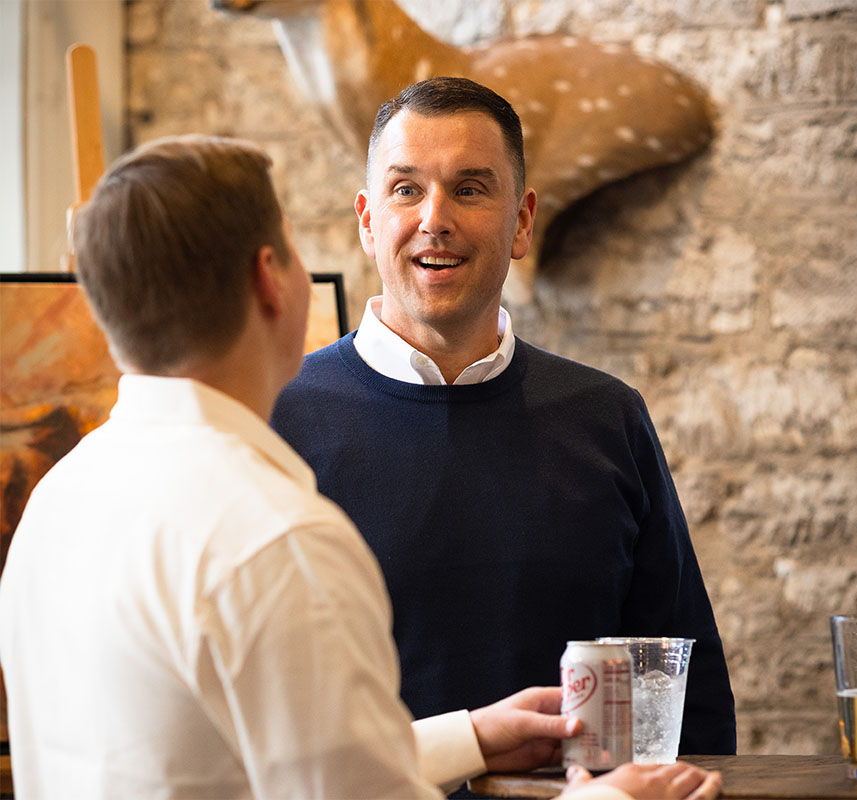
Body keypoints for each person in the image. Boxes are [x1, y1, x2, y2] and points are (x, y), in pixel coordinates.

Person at [0, 135, 721, 800]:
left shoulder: (56, 500)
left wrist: (464, 738)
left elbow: (241, 759)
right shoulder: (275, 535)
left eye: (472, 189)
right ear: (270, 280)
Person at [270, 77, 738, 757]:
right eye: (407, 189)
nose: (435, 218)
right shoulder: (280, 422)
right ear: (369, 222)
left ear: (521, 221)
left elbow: (686, 698)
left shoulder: (608, 419)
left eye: (469, 188)